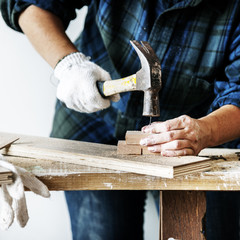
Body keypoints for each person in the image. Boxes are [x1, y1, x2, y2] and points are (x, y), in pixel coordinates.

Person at [1, 0, 240, 239]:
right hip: (93, 123)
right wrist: (68, 65)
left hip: (200, 138)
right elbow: (30, 5)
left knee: (204, 231)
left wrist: (207, 129)